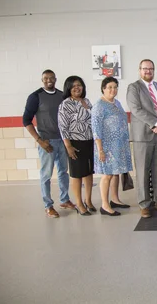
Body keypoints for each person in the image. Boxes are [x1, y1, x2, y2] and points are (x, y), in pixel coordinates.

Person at [127, 59, 157, 218]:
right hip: (143, 135)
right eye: (145, 68)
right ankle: (144, 205)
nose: (148, 71)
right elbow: (136, 109)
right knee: (142, 171)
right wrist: (155, 123)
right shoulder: (134, 87)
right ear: (139, 70)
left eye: (151, 68)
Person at [23, 69, 75, 218]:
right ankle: (48, 206)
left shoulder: (61, 95)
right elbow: (26, 120)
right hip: (47, 142)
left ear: (56, 79)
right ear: (42, 80)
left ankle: (64, 200)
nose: (49, 80)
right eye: (46, 78)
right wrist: (39, 141)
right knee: (46, 175)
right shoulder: (35, 97)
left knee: (63, 172)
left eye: (51, 78)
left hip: (63, 141)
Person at [91, 76, 133, 216]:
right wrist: (100, 150)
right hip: (106, 147)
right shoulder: (99, 106)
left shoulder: (117, 103)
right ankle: (105, 205)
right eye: (109, 87)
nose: (113, 90)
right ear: (103, 88)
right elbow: (96, 130)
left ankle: (115, 199)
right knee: (107, 175)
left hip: (118, 146)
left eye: (115, 87)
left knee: (116, 173)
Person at [58, 76, 95, 216]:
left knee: (89, 172)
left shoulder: (87, 101)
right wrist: (68, 146)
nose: (77, 88)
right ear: (68, 88)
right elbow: (63, 127)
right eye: (73, 86)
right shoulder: (65, 104)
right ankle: (79, 204)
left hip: (89, 141)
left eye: (79, 85)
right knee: (77, 174)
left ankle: (88, 201)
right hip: (75, 143)